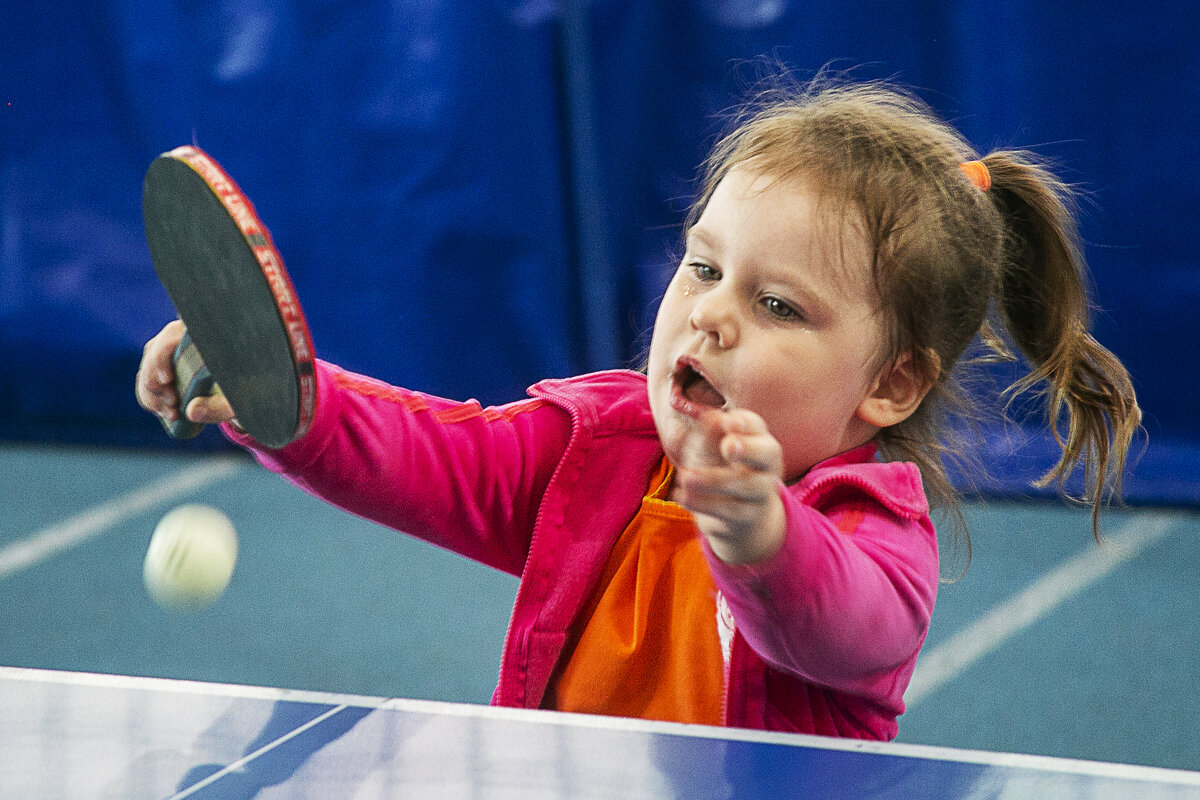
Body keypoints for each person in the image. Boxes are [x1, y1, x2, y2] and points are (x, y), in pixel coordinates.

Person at [135, 76, 1140, 741]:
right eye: (704, 264)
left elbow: (837, 622)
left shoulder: (872, 532)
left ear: (891, 383)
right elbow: (430, 454)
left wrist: (761, 533)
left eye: (777, 303)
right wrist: (284, 396)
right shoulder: (598, 447)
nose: (709, 312)